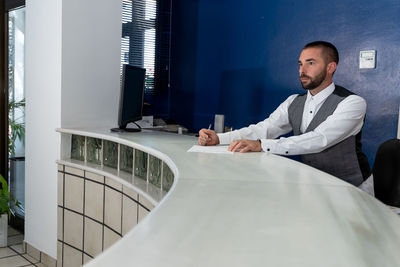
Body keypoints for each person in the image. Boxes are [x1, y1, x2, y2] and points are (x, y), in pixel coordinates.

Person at [198, 41, 370, 186]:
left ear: (330, 67)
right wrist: (220, 139)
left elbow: (320, 139)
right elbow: (265, 129)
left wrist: (262, 145)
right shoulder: (294, 101)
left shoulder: (352, 103)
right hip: (314, 183)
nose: (302, 70)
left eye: (311, 63)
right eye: (300, 64)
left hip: (352, 187)